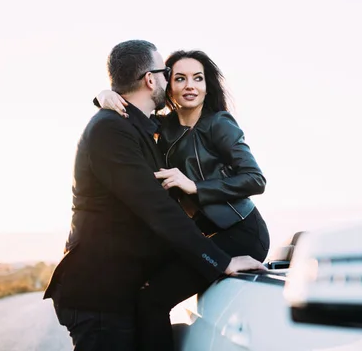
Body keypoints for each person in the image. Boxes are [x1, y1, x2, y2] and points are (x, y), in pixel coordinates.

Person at [43, 40, 265, 351]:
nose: (182, 83)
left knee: (151, 304)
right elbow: (157, 208)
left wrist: (198, 190)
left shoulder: (147, 127)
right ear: (152, 79)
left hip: (230, 231)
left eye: (197, 78)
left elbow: (254, 177)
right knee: (150, 304)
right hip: (98, 292)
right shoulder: (118, 128)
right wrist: (220, 261)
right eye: (171, 74)